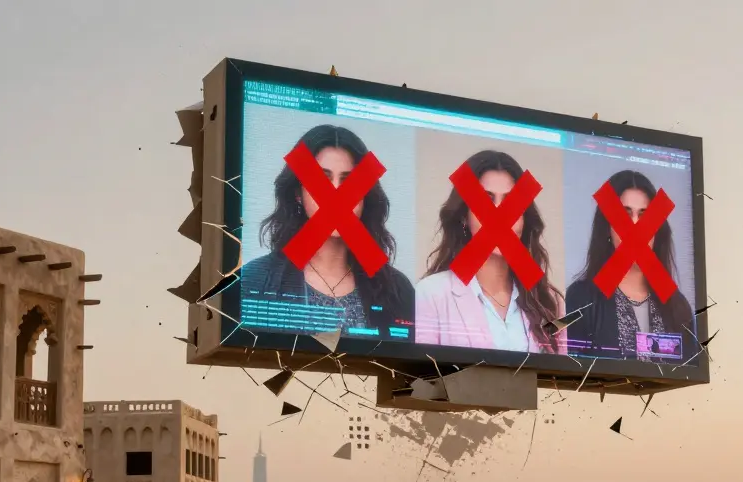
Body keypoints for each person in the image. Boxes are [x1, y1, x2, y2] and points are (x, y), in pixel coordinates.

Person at [238, 124, 415, 339]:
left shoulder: (398, 290)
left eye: (349, 182)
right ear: (298, 193)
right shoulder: (253, 281)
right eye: (321, 180)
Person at [415, 149, 566, 353]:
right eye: (486, 201)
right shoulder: (431, 294)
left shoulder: (550, 301)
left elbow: (556, 382)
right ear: (464, 217)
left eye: (511, 203)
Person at [565, 169, 693, 361]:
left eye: (644, 216)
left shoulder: (678, 306)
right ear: (607, 227)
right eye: (624, 215)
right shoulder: (581, 298)